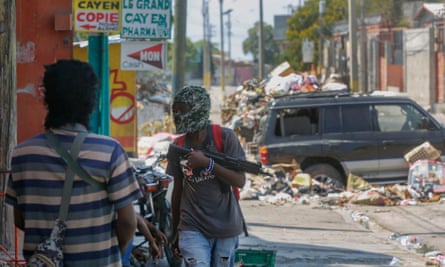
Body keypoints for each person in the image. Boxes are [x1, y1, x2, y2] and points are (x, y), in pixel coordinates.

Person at [6, 59, 142, 266]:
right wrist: (114, 252)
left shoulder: (23, 154)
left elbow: (20, 219)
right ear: (91, 100)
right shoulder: (110, 151)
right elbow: (128, 222)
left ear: (47, 99)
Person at [166, 85, 246, 267]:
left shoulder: (225, 138)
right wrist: (175, 231)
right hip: (191, 226)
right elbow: (177, 191)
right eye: (175, 110)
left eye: (182, 110)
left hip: (226, 227)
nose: (177, 115)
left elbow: (239, 181)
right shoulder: (178, 146)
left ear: (198, 111)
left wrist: (208, 164)